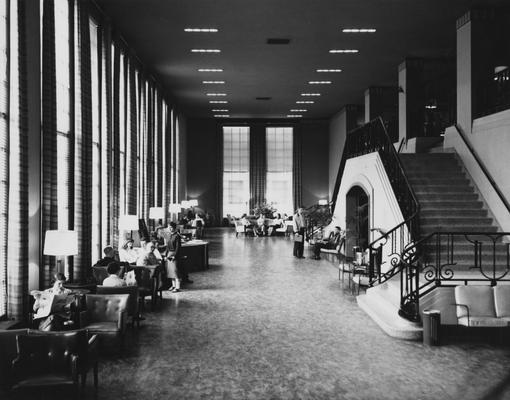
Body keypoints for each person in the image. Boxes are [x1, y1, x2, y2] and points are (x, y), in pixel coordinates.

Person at [165, 222, 183, 292]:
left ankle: (177, 287)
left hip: (175, 254)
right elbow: (167, 246)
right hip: (169, 254)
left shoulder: (177, 236)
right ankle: (173, 285)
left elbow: (178, 247)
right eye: (169, 227)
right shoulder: (169, 235)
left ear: (174, 228)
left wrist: (175, 256)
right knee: (170, 272)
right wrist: (166, 255)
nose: (170, 229)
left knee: (175, 271)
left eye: (171, 227)